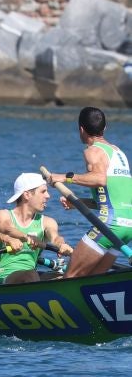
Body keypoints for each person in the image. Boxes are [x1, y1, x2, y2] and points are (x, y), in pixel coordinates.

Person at [48, 106, 132, 277]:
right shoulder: (118, 153)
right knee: (93, 280)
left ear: (81, 129)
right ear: (105, 128)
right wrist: (80, 203)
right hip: (128, 226)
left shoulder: (93, 151)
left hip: (110, 225)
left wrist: (65, 177)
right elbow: (114, 199)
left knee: (71, 277)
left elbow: (99, 179)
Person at [0, 173, 73, 284]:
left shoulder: (47, 222)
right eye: (43, 191)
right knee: (30, 274)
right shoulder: (3, 215)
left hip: (30, 277)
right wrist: (26, 237)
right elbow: (7, 228)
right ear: (27, 195)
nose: (48, 196)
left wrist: (61, 244)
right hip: (5, 277)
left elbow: (55, 238)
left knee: (67, 277)